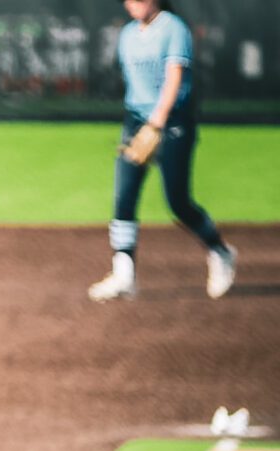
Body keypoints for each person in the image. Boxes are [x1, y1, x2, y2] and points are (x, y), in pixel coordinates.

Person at [88, 0, 236, 302]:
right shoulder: (128, 34)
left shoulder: (173, 28)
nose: (134, 3)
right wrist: (139, 126)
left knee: (178, 202)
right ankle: (124, 274)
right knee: (124, 196)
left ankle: (220, 251)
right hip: (136, 120)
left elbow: (174, 78)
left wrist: (156, 125)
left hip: (172, 121)